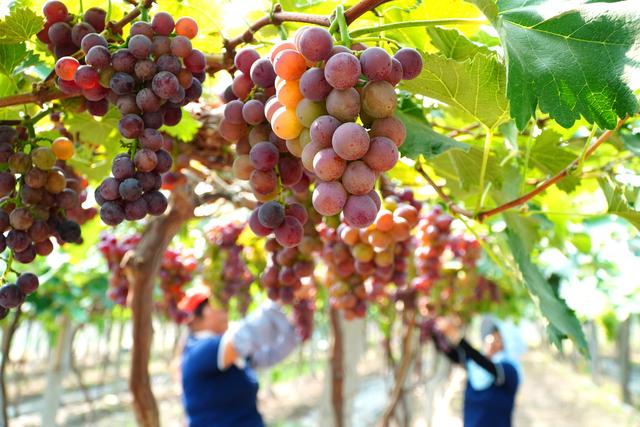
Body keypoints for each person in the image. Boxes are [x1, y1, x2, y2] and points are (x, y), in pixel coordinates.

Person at [178, 286, 300, 427]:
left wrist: (292, 326)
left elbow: (271, 355)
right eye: (218, 304)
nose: (226, 310)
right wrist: (279, 299)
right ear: (202, 312)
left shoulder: (227, 353)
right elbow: (246, 335)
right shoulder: (200, 352)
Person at [433, 315, 525, 427]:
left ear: (508, 345)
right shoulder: (475, 368)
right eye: (491, 335)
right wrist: (434, 329)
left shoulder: (509, 371)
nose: (491, 340)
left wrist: (457, 337)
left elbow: (483, 363)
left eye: (499, 338)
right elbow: (450, 353)